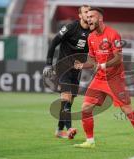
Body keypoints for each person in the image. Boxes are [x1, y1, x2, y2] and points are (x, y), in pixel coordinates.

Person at [73, 7, 134, 152]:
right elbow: (92, 61)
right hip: (99, 79)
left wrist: (102, 64)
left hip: (115, 79)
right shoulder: (90, 37)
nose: (88, 19)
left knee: (127, 110)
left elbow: (118, 58)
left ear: (100, 18)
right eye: (87, 16)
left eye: (92, 16)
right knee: (85, 108)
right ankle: (90, 141)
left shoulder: (113, 34)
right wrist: (82, 65)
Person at [43, 5, 91, 139]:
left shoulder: (93, 32)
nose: (89, 14)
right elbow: (54, 42)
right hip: (63, 67)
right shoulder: (71, 27)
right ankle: (70, 128)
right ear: (80, 15)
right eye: (86, 12)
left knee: (68, 102)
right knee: (66, 97)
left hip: (76, 71)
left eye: (90, 12)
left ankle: (59, 131)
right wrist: (48, 64)